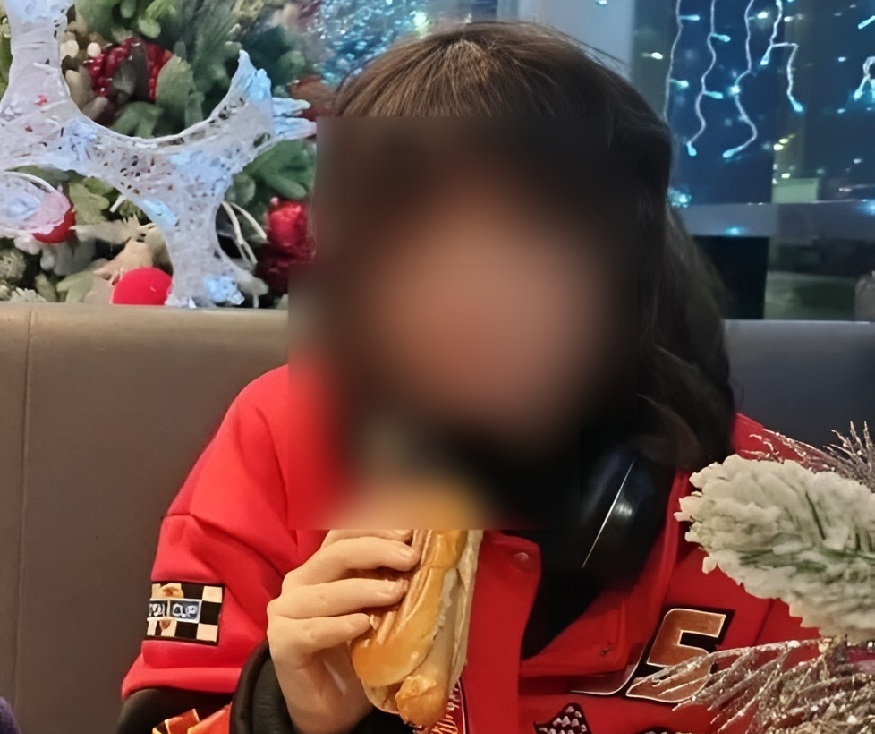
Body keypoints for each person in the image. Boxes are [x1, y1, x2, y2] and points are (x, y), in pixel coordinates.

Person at [118, 22, 812, 734]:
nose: (465, 297)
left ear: (623, 270)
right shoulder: (282, 432)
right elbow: (167, 713)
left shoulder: (778, 511)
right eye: (409, 246)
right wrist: (282, 715)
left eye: (528, 237)